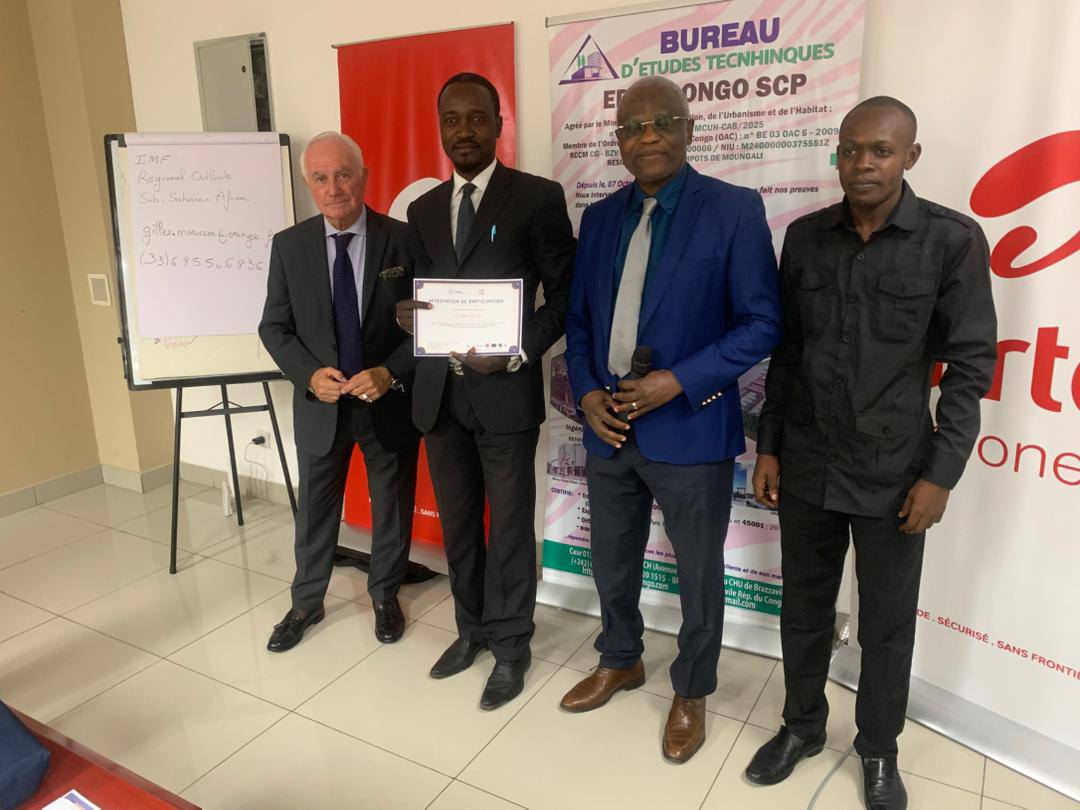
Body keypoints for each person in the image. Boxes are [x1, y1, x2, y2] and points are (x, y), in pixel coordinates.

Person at [744, 97, 997, 809]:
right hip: (806, 461)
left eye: (881, 151)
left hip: (895, 473)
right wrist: (769, 446)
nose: (862, 163)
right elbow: (788, 353)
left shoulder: (951, 240)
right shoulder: (806, 238)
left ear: (909, 157)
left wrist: (941, 475)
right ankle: (801, 726)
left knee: (885, 622)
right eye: (851, 149)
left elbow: (971, 366)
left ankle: (878, 749)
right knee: (804, 607)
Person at [560, 75, 783, 763]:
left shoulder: (734, 210)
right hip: (608, 426)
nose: (648, 136)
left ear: (690, 129)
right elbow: (580, 320)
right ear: (619, 140)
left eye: (662, 122)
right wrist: (587, 392)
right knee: (611, 557)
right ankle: (620, 657)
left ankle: (691, 688)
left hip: (690, 425)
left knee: (697, 572)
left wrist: (678, 381)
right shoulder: (601, 218)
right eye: (632, 127)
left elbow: (762, 324)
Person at [394, 73, 575, 710]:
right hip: (440, 399)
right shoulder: (421, 210)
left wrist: (519, 348)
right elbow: (422, 298)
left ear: (499, 125)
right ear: (440, 128)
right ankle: (470, 630)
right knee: (460, 528)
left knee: (510, 530)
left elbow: (566, 297)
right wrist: (409, 316)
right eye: (452, 119)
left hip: (505, 396)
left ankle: (511, 644)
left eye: (477, 118)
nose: (464, 130)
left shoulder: (537, 198)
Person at [259, 132, 420, 652]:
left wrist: (389, 372)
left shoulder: (404, 240)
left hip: (385, 400)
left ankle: (385, 596)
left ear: (364, 177)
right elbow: (273, 327)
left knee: (391, 506)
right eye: (321, 178)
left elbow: (428, 324)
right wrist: (308, 375)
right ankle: (306, 602)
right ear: (309, 185)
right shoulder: (289, 246)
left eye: (344, 174)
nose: (334, 188)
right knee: (315, 512)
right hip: (321, 404)